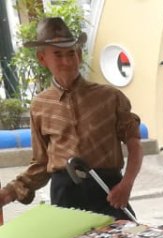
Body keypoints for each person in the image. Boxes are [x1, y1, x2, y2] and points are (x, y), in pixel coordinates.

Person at [0, 18, 142, 220]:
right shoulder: (40, 105)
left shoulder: (110, 97)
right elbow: (41, 164)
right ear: (42, 59)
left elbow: (135, 144)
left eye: (71, 53)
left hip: (109, 192)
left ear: (79, 55)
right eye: (58, 55)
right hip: (65, 197)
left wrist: (126, 185)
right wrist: (7, 194)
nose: (67, 62)